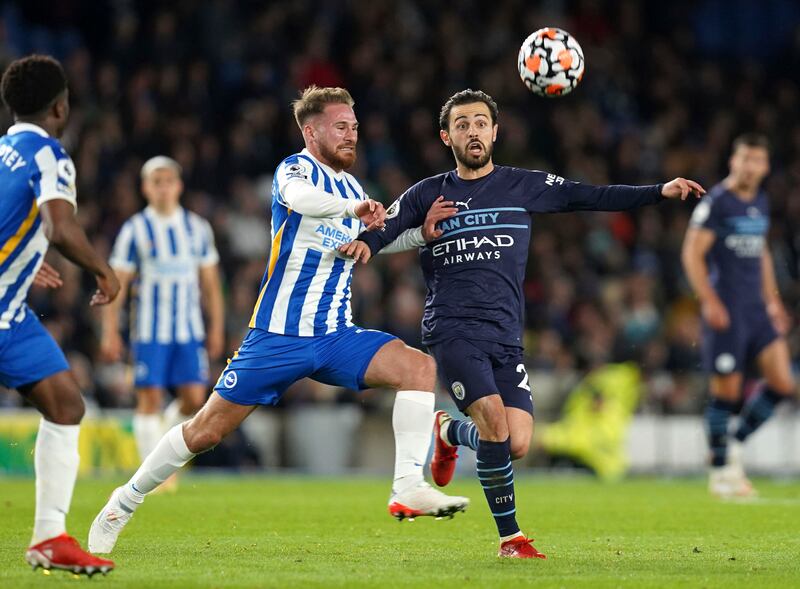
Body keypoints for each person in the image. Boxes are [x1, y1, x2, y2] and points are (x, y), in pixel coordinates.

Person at [88, 86, 466, 554]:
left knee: (419, 368)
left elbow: (372, 243)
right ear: (311, 131)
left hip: (334, 335)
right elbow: (302, 198)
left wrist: (416, 236)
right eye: (340, 127)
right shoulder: (295, 170)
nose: (351, 135)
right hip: (277, 337)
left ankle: (407, 486)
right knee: (205, 430)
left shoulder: (352, 188)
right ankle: (123, 501)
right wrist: (353, 210)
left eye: (354, 127)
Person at [342, 89, 705, 558]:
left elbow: (586, 196)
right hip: (453, 331)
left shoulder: (522, 185)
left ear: (495, 132)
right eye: (462, 124)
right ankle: (510, 539)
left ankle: (448, 432)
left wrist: (659, 190)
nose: (472, 131)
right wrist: (383, 241)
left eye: (479, 123)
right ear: (445, 136)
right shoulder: (427, 193)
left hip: (506, 338)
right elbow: (380, 232)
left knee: (515, 443)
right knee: (495, 426)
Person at [0, 54, 118, 576]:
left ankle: (49, 538)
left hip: (12, 311)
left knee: (66, 404)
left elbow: (25, 223)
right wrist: (102, 270)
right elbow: (61, 227)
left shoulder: (3, 150)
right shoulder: (51, 155)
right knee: (66, 406)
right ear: (61, 105)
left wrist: (24, 259)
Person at [681, 133, 796, 498]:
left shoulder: (759, 200)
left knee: (782, 384)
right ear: (734, 161)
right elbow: (692, 254)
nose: (750, 167)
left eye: (757, 160)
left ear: (765, 166)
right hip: (727, 310)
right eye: (744, 159)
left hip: (757, 310)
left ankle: (733, 447)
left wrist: (773, 301)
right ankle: (720, 473)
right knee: (726, 394)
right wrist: (710, 301)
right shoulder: (717, 202)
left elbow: (760, 252)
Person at [100, 155, 224, 480]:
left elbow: (210, 285)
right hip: (149, 331)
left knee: (194, 398)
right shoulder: (134, 230)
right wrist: (109, 331)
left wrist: (216, 329)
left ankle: (162, 447)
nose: (163, 188)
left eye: (168, 181)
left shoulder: (197, 228)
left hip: (188, 330)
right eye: (156, 182)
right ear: (145, 188)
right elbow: (118, 285)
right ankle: (150, 477)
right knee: (150, 397)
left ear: (179, 186)